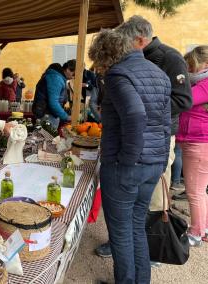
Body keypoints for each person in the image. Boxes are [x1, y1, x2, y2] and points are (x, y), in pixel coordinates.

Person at [96, 15, 193, 259]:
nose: (120, 46)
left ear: (138, 40)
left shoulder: (167, 59)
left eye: (124, 42)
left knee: (129, 225)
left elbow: (148, 111)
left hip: (138, 155)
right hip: (150, 154)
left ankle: (137, 267)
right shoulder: (150, 68)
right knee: (135, 225)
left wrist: (128, 159)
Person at [88, 28, 171, 283]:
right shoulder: (158, 73)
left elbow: (135, 116)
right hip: (153, 162)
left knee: (122, 232)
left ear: (105, 55)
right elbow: (167, 121)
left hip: (127, 165)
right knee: (136, 226)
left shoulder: (118, 74)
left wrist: (126, 160)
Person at [176, 45, 208, 246]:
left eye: (192, 65)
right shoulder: (200, 82)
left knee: (194, 190)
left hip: (198, 142)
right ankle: (203, 226)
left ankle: (195, 233)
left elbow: (185, 99)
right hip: (198, 141)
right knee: (200, 189)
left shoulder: (204, 85)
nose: (189, 70)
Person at [32, 61, 74, 129]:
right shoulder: (56, 78)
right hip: (47, 115)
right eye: (73, 74)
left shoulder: (56, 76)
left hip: (46, 114)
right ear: (68, 69)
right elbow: (53, 102)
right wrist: (66, 117)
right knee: (47, 138)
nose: (73, 77)